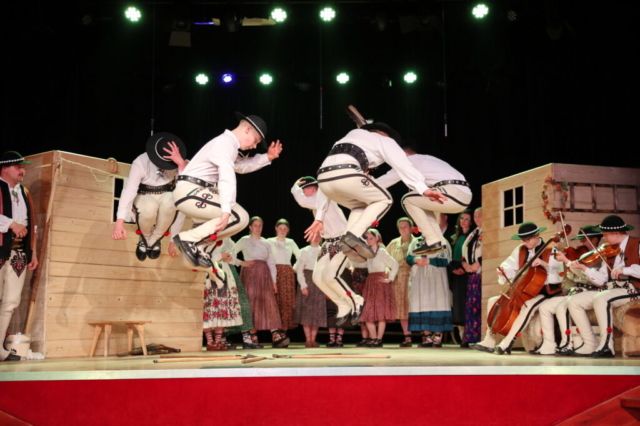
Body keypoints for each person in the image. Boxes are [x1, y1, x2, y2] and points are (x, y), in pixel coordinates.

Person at [305, 125, 445, 320]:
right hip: (346, 175)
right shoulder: (384, 140)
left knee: (361, 204)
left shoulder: (348, 137)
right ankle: (353, 235)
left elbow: (326, 183)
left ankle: (346, 300)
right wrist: (423, 189)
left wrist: (319, 216)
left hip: (324, 179)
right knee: (385, 199)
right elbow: (402, 165)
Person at [172, 112, 282, 267]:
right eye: (255, 141)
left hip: (197, 192)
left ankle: (199, 244)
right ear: (247, 129)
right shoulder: (224, 143)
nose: (254, 146)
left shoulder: (229, 146)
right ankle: (188, 238)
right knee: (238, 216)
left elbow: (240, 166)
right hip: (189, 192)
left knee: (242, 218)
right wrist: (226, 209)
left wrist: (268, 157)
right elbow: (227, 176)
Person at [472, 222, 564, 355]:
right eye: (523, 240)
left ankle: (508, 342)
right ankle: (489, 340)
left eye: (528, 239)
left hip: (545, 291)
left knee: (528, 305)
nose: (525, 242)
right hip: (524, 290)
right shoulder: (521, 249)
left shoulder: (551, 250)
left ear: (537, 235)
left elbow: (559, 273)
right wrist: (503, 270)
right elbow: (509, 264)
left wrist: (544, 264)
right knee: (493, 301)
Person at [376, 142, 472, 256]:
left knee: (407, 200)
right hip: (464, 195)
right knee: (421, 204)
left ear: (401, 153)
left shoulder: (409, 161)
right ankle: (438, 241)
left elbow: (384, 181)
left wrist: (361, 185)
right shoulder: (427, 159)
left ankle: (431, 238)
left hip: (452, 191)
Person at [567, 215, 640, 358]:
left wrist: (625, 270)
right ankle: (590, 343)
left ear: (616, 233)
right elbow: (601, 280)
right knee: (574, 301)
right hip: (613, 289)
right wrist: (584, 269)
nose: (604, 238)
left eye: (605, 235)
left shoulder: (637, 244)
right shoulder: (609, 251)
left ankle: (607, 345)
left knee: (601, 298)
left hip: (633, 288)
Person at [291, 177, 357, 329]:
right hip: (328, 242)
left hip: (341, 239)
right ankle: (343, 304)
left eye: (304, 191)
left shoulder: (323, 197)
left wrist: (294, 188)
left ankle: (355, 300)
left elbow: (302, 201)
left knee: (330, 276)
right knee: (317, 277)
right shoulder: (317, 204)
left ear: (311, 189)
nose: (303, 193)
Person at [112, 134, 187, 261]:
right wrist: (119, 223)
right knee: (149, 207)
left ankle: (155, 240)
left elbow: (185, 189)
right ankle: (145, 238)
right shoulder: (140, 162)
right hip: (144, 194)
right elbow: (129, 191)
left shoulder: (179, 163)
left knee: (172, 201)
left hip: (166, 194)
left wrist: (180, 163)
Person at [535, 226, 607, 356]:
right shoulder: (582, 256)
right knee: (545, 307)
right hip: (575, 290)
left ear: (595, 240)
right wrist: (567, 266)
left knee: (562, 307)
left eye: (583, 241)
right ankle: (549, 344)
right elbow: (573, 278)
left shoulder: (600, 257)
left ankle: (567, 343)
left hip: (590, 291)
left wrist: (568, 262)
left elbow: (589, 279)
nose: (580, 245)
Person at [0, 152, 38, 361]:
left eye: (23, 167)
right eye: (18, 167)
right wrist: (10, 224)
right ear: (5, 168)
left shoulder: (24, 192)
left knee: (11, 302)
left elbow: (31, 225)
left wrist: (32, 252)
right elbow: (15, 224)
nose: (23, 170)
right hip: (0, 251)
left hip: (19, 254)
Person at [234, 217, 289, 348]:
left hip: (264, 275)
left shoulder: (266, 243)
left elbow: (271, 262)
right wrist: (240, 263)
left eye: (260, 225)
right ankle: (253, 339)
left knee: (269, 304)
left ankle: (275, 335)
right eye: (255, 225)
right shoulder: (244, 240)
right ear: (250, 227)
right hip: (250, 275)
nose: (258, 228)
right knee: (251, 304)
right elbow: (231, 253)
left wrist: (274, 282)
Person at [406, 234, 453, 348]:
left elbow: (447, 260)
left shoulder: (441, 240)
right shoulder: (416, 241)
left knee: (438, 303)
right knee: (422, 304)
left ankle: (437, 337)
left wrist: (429, 261)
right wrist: (415, 259)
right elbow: (408, 257)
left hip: (436, 277)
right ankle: (426, 337)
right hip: (420, 277)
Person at [358, 229, 398, 348]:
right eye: (367, 238)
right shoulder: (368, 252)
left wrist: (390, 278)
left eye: (371, 238)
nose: (369, 241)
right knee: (367, 312)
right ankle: (374, 337)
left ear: (376, 238)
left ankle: (379, 339)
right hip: (370, 282)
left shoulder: (381, 251)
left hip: (380, 282)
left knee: (381, 313)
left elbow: (394, 264)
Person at [268, 219, 300, 339]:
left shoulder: (290, 242)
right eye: (280, 228)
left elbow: (300, 256)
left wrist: (294, 268)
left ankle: (284, 333)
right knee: (275, 302)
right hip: (273, 272)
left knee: (287, 303)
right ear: (276, 229)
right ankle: (275, 333)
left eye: (285, 229)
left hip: (287, 273)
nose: (282, 231)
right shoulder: (269, 241)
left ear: (288, 230)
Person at [386, 217, 415, 347]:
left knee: (413, 306)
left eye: (405, 226)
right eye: (400, 227)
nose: (403, 229)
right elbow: (385, 258)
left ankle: (425, 335)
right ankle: (407, 336)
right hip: (397, 278)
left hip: (412, 276)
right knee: (402, 308)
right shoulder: (393, 243)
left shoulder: (416, 242)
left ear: (411, 228)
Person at [293, 232, 326, 347]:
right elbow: (299, 270)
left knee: (317, 312)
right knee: (307, 312)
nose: (316, 238)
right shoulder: (304, 251)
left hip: (319, 281)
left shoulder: (324, 251)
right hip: (307, 280)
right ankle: (308, 339)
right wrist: (303, 285)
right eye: (314, 236)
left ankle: (313, 339)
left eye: (318, 236)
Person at [448, 210, 475, 342]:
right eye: (462, 218)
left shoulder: (473, 237)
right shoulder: (455, 238)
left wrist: (464, 269)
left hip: (468, 273)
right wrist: (453, 269)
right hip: (456, 274)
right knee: (458, 305)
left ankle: (469, 336)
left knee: (466, 304)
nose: (464, 221)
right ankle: (462, 336)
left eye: (467, 219)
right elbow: (451, 257)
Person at [460, 207, 483, 347]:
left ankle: (480, 337)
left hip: (482, 274)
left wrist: (479, 263)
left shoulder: (488, 231)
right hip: (472, 276)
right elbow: (463, 253)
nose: (477, 218)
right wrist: (465, 264)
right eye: (475, 216)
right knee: (472, 307)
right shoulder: (473, 233)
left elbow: (490, 250)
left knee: (480, 306)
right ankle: (471, 337)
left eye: (480, 215)